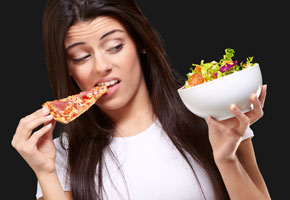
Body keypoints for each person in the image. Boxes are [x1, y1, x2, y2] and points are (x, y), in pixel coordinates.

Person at [11, 0, 271, 199]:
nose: (101, 66)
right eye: (81, 57)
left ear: (140, 43)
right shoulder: (61, 154)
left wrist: (227, 159)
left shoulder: (209, 111)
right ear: (67, 67)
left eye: (115, 47)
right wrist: (46, 172)